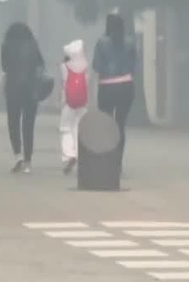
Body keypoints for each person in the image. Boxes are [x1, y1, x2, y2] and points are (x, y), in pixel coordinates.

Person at [0, 22, 45, 174]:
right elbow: (41, 64)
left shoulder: (6, 45)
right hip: (30, 90)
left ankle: (17, 156)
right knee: (28, 125)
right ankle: (28, 161)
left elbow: (4, 67)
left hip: (13, 89)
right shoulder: (33, 45)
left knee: (13, 123)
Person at [91, 13, 136, 166]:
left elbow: (96, 66)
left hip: (107, 87)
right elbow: (134, 65)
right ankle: (118, 162)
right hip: (126, 87)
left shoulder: (101, 43)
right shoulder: (130, 42)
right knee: (120, 125)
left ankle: (108, 162)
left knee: (107, 125)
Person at [58, 39, 91, 175]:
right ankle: (80, 156)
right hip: (83, 102)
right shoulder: (86, 65)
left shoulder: (64, 66)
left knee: (65, 128)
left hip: (68, 101)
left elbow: (63, 83)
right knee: (79, 129)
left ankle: (69, 155)